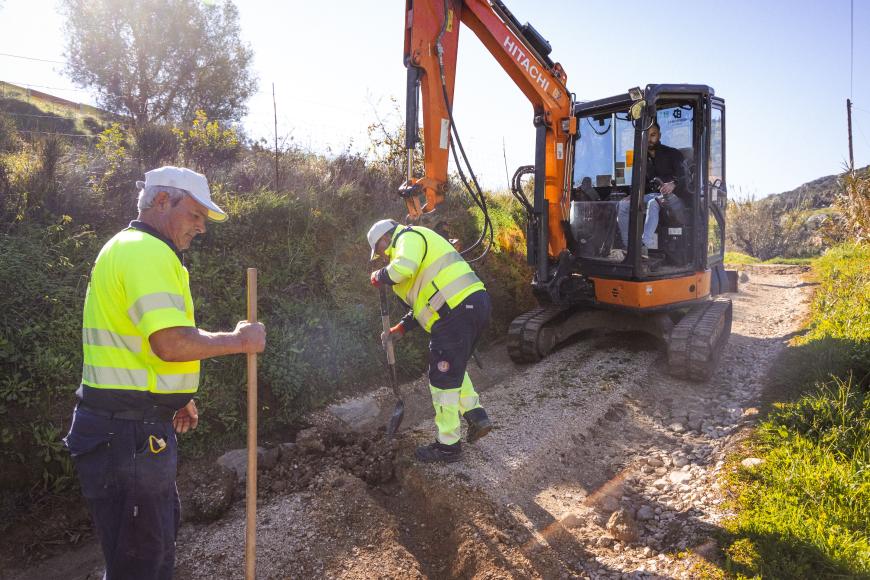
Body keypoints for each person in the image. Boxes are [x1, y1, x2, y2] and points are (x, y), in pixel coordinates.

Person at [63, 166, 266, 580]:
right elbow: (171, 343)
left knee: (145, 552)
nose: (201, 229)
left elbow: (136, 345)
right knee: (142, 562)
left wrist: (173, 397)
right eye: (195, 215)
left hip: (127, 430)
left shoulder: (130, 248)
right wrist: (240, 340)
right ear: (162, 201)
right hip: (126, 437)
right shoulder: (146, 251)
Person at [367, 219, 493, 463]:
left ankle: (448, 446)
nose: (382, 256)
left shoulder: (407, 238)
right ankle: (476, 415)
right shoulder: (415, 252)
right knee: (453, 367)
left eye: (380, 250)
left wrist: (379, 276)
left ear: (384, 239)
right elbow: (422, 303)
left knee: (442, 379)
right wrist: (401, 327)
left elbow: (402, 268)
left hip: (455, 311)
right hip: (471, 305)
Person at [616, 122, 686, 257]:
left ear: (659, 135)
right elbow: (643, 183)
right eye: (646, 135)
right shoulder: (641, 159)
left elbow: (685, 178)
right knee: (623, 205)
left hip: (674, 197)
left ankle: (643, 246)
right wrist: (633, 195)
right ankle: (629, 247)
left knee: (654, 203)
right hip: (653, 194)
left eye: (653, 135)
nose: (650, 138)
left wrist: (673, 184)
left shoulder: (673, 153)